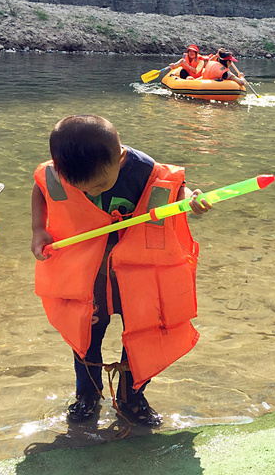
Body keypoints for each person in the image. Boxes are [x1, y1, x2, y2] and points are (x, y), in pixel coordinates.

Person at [31, 115, 212, 427]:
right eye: (81, 188)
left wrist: (192, 200)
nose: (91, 190)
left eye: (101, 184)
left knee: (142, 335)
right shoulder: (57, 174)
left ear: (119, 156)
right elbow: (40, 191)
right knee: (84, 336)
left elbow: (173, 191)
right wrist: (38, 230)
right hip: (89, 276)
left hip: (137, 275)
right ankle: (87, 395)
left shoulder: (142, 169)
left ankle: (132, 397)